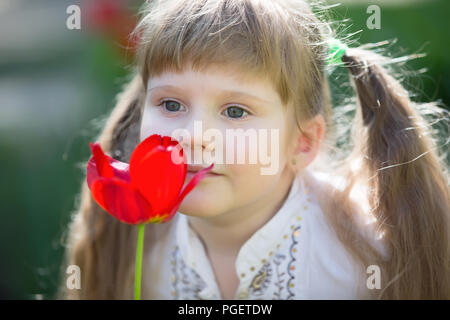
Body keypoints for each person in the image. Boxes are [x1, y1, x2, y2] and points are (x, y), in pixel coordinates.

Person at [59, 0, 450, 299]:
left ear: (303, 143)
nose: (193, 136)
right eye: (171, 104)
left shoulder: (363, 259)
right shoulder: (137, 251)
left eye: (235, 110)